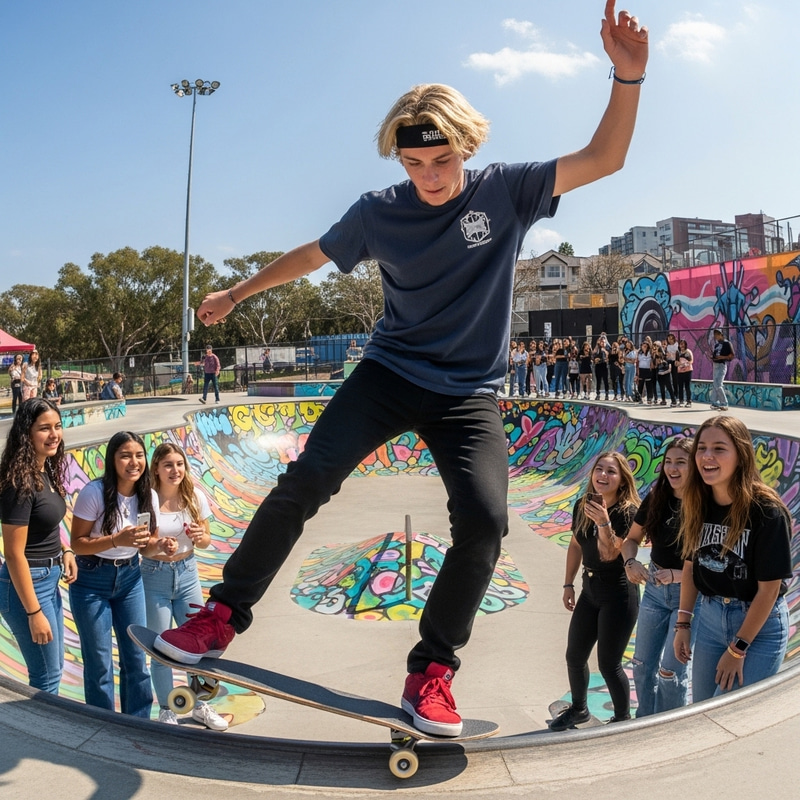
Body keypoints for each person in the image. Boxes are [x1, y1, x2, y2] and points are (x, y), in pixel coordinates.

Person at [156, 3, 649, 738]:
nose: (430, 178)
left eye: (442, 160)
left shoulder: (507, 190)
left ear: (467, 145)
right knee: (304, 480)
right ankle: (222, 615)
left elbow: (604, 158)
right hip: (388, 372)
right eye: (414, 164)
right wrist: (237, 290)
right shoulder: (378, 210)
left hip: (470, 395)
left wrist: (628, 74)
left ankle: (433, 670)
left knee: (485, 523)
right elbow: (313, 254)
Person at [673, 417, 791, 702]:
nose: (707, 456)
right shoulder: (696, 502)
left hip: (758, 626)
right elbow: (690, 566)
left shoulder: (766, 511)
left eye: (719, 448)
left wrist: (738, 648)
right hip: (711, 618)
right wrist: (684, 624)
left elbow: (769, 590)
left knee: (728, 712)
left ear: (740, 455)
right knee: (702, 709)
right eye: (701, 448)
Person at [69, 431, 160, 717]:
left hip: (130, 579)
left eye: (138, 455)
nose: (133, 462)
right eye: (125, 456)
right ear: (113, 460)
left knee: (136, 656)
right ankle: (103, 725)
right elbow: (77, 544)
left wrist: (162, 546)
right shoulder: (94, 493)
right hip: (91, 581)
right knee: (99, 662)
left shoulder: (149, 495)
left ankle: (139, 723)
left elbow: (148, 546)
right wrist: (114, 541)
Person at [549, 451, 640, 730]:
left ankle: (622, 720)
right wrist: (568, 583)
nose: (603, 475)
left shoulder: (628, 513)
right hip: (589, 591)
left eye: (611, 471)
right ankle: (579, 709)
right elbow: (576, 545)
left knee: (609, 664)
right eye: (599, 469)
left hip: (618, 594)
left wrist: (603, 521)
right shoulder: (582, 505)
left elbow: (611, 553)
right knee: (574, 656)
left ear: (622, 480)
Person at [143, 442, 228, 730]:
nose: (175, 470)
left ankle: (200, 705)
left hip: (188, 573)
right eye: (168, 464)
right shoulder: (148, 500)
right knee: (161, 646)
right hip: (155, 576)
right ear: (156, 467)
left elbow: (205, 540)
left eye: (179, 464)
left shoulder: (194, 496)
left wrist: (202, 535)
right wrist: (159, 546)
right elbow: (144, 547)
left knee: (198, 645)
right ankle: (167, 709)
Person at [0, 398, 78, 693]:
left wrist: (66, 550)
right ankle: (46, 739)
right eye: (44, 428)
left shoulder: (43, 471)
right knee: (45, 677)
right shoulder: (19, 483)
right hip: (27, 585)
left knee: (54, 670)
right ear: (26, 434)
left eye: (57, 426)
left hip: (48, 579)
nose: (54, 434)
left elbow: (45, 526)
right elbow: (13, 553)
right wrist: (33, 613)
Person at [621, 437, 694, 716]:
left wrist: (679, 574)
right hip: (654, 591)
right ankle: (645, 722)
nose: (673, 469)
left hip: (689, 597)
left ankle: (669, 727)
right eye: (669, 462)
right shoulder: (657, 498)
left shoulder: (706, 503)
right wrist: (630, 562)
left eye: (681, 463)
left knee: (670, 672)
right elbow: (631, 539)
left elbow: (715, 560)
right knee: (641, 666)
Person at [710, 328, 734, 410]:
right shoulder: (717, 345)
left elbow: (731, 355)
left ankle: (724, 402)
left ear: (721, 334)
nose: (716, 336)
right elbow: (715, 354)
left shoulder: (727, 343)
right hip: (715, 364)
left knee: (718, 383)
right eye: (715, 335)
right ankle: (715, 401)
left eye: (717, 334)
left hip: (721, 365)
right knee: (715, 384)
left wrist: (722, 357)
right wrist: (713, 357)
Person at [635, 340, 655, 405]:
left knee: (649, 384)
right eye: (643, 346)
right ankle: (639, 398)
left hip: (648, 370)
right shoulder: (639, 353)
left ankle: (649, 398)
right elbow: (637, 362)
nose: (644, 347)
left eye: (645, 346)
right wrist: (637, 373)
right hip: (641, 369)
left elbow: (652, 361)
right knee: (640, 384)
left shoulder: (650, 353)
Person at [675, 339, 693, 407]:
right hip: (680, 372)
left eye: (683, 344)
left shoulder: (688, 352)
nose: (682, 345)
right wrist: (677, 364)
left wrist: (685, 364)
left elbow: (691, 361)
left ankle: (689, 401)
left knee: (687, 386)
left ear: (685, 345)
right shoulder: (678, 352)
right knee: (680, 386)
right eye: (680, 344)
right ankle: (681, 400)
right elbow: (676, 362)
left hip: (687, 371)